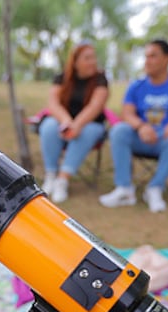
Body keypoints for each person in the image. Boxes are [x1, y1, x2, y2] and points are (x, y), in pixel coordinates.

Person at [99, 39, 168, 213]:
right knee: (119, 130)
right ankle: (124, 189)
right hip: (141, 138)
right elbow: (126, 114)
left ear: (167, 59)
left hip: (167, 140)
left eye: (153, 56)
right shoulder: (136, 86)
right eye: (146, 56)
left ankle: (155, 188)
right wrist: (141, 127)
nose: (147, 61)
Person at [38, 42, 109, 203]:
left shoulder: (100, 79)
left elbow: (95, 106)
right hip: (64, 121)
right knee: (49, 126)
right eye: (87, 58)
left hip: (91, 123)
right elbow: (53, 103)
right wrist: (67, 122)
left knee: (87, 130)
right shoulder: (61, 78)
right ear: (75, 61)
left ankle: (63, 179)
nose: (93, 62)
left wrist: (77, 125)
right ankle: (51, 174)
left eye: (93, 57)